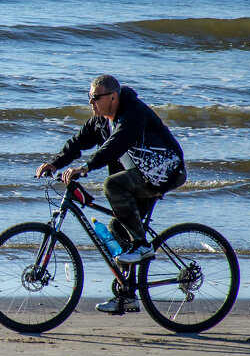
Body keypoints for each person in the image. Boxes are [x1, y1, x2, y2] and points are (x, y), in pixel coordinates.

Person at [36, 75, 186, 314]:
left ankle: (142, 245)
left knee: (112, 186)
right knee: (117, 229)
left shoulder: (132, 112)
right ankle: (127, 296)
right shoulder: (100, 121)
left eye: (95, 98)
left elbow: (116, 143)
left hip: (165, 171)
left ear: (113, 98)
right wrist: (55, 164)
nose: (91, 103)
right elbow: (77, 142)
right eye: (89, 97)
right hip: (140, 176)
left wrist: (87, 167)